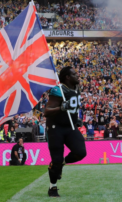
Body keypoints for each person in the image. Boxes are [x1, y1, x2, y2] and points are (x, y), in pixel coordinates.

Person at [44, 66, 87, 197]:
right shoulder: (58, 90)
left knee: (80, 152)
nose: (77, 75)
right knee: (55, 160)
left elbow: (73, 108)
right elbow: (47, 111)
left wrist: (76, 118)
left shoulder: (76, 89)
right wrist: (62, 107)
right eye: (74, 74)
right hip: (55, 127)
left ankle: (62, 163)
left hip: (70, 126)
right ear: (67, 77)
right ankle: (53, 187)